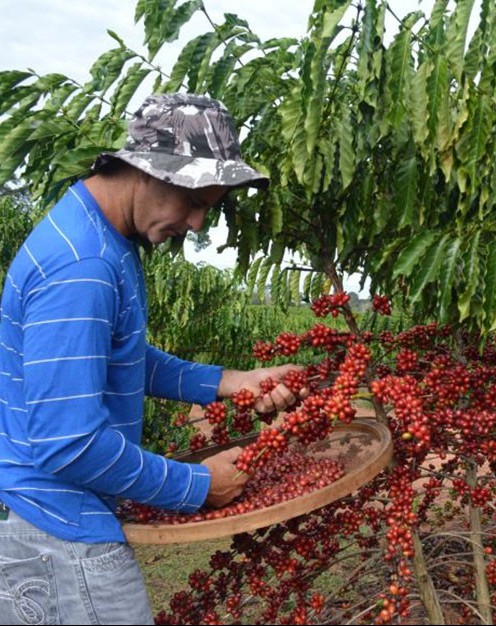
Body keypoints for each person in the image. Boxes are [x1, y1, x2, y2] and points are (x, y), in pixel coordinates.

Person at [0, 93, 302, 625]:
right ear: (150, 171)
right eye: (195, 202)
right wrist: (197, 486)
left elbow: (121, 357)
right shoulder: (84, 267)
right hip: (65, 533)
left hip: (61, 522)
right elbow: (69, 446)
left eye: (209, 206)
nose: (198, 224)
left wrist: (233, 381)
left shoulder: (103, 237)